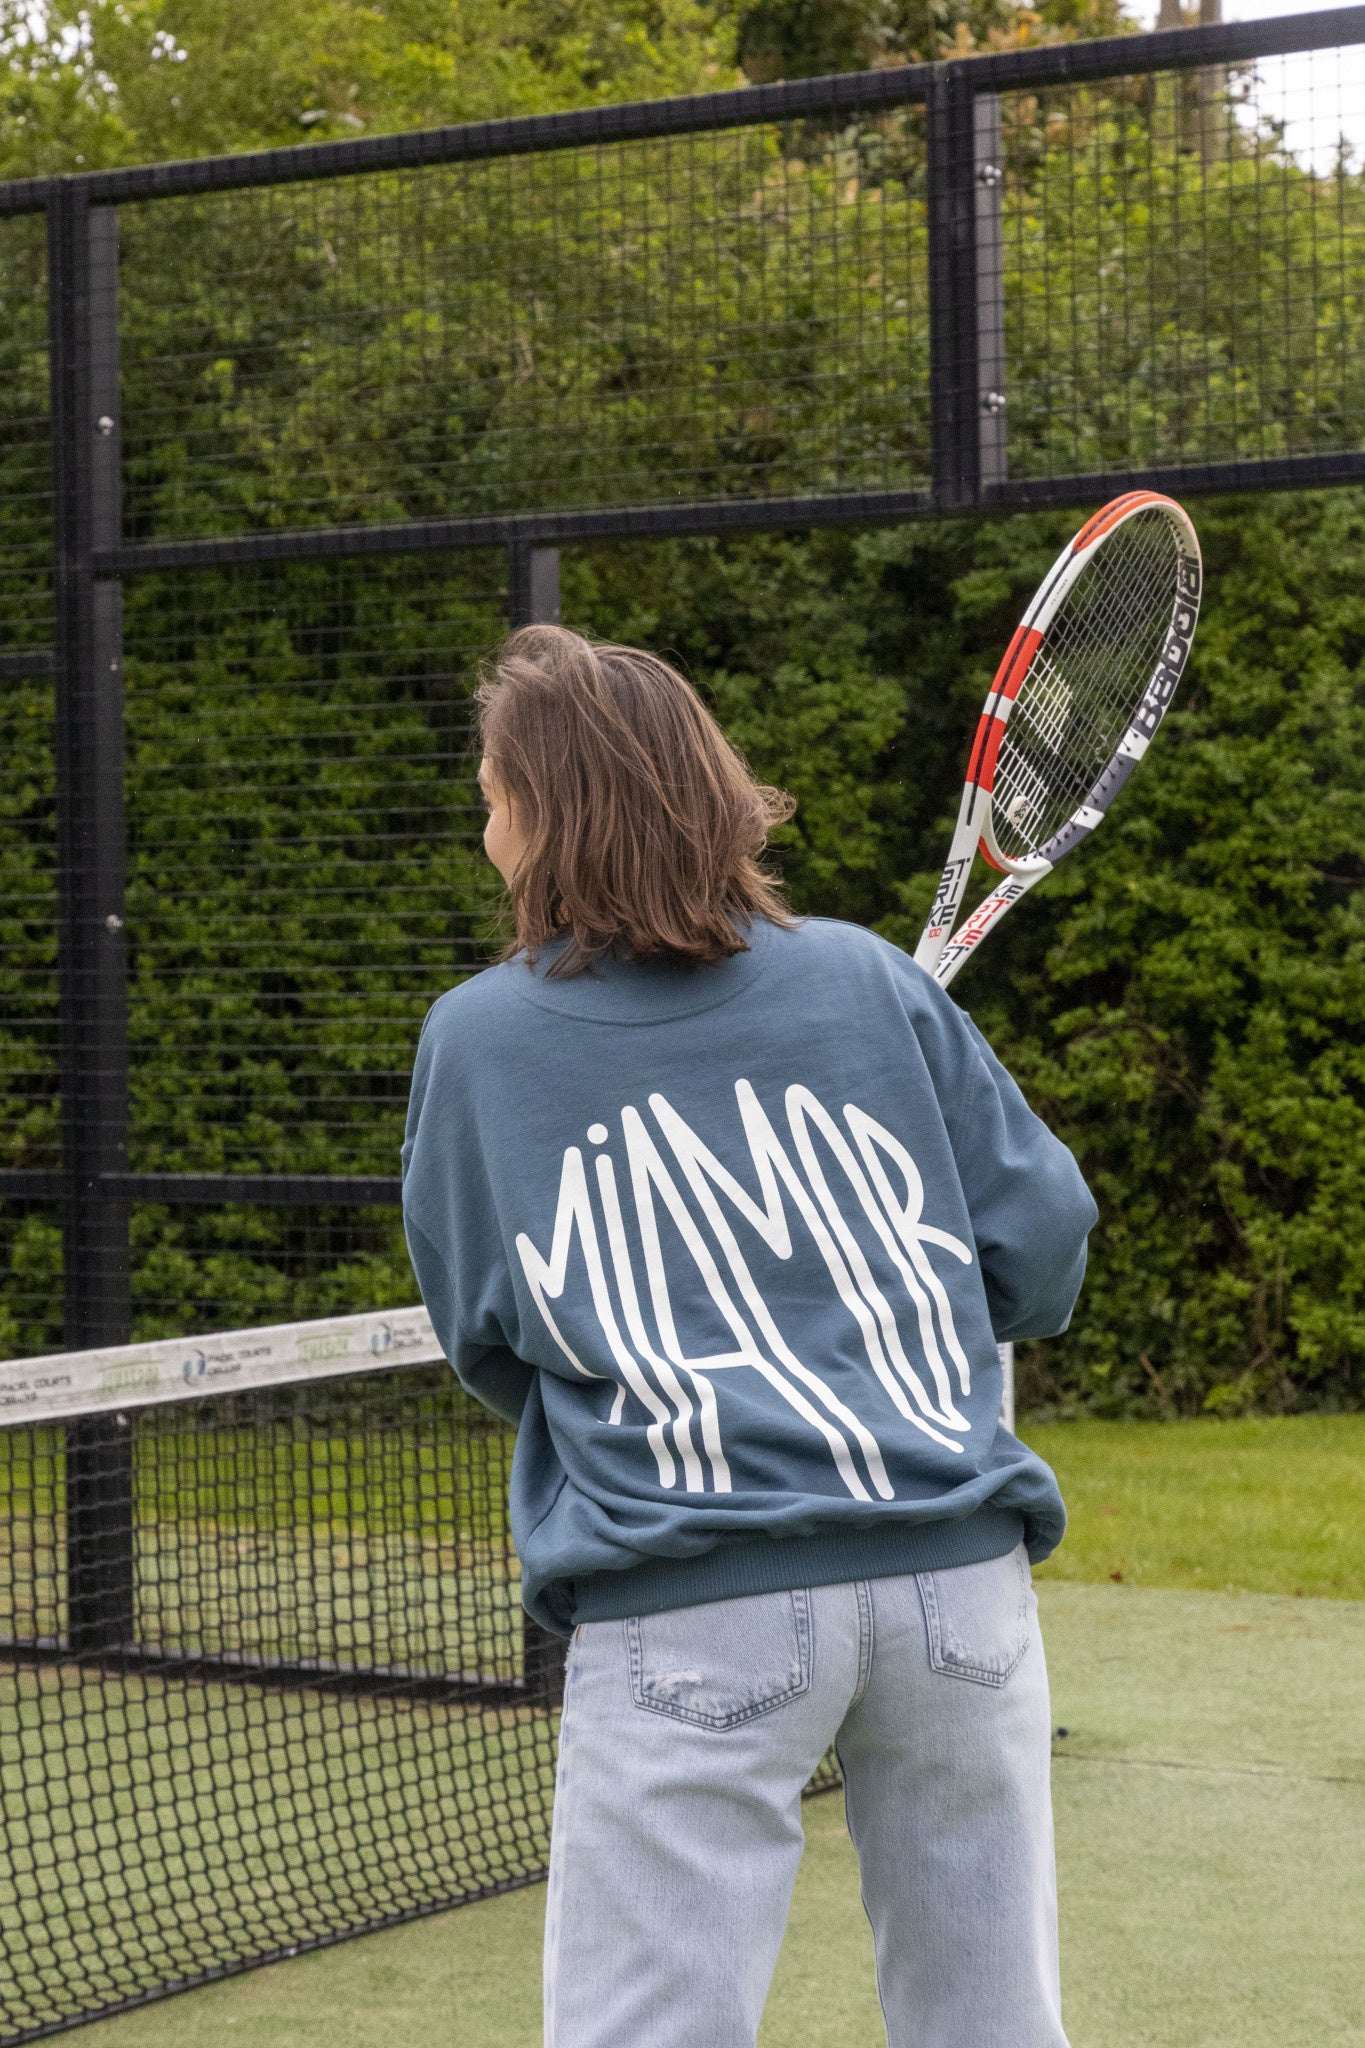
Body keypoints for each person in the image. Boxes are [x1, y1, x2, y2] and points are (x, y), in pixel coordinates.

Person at [401, 624, 1097, 2048]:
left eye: (492, 797)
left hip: (688, 1601)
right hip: (957, 1590)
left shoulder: (475, 1039)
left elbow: (488, 1331)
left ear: (545, 817)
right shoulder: (870, 980)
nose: (483, 831)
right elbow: (1040, 1250)